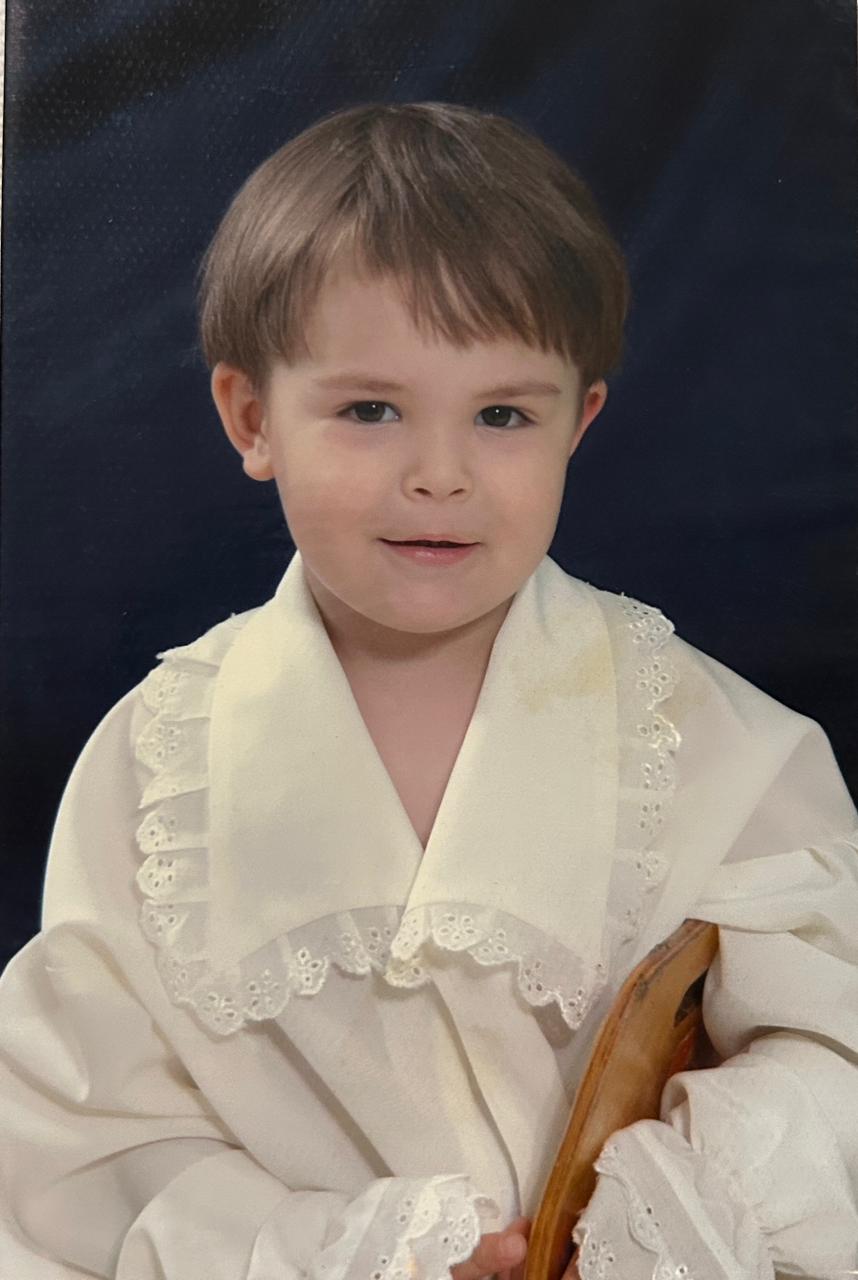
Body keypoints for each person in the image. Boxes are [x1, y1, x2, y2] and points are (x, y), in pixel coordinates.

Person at [1, 100, 856, 1280]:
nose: (440, 474)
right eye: (370, 410)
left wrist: (678, 1194)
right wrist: (341, 1252)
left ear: (578, 422)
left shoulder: (704, 734)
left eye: (502, 414)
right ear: (252, 417)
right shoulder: (154, 766)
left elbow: (835, 1036)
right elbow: (84, 1140)